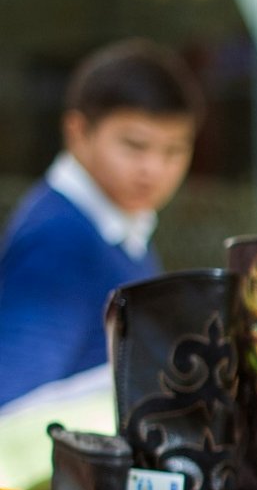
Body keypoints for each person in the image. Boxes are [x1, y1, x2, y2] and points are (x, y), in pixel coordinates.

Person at [0, 39, 203, 409]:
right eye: (134, 146)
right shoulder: (60, 241)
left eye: (174, 150)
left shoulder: (120, 226)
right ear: (78, 132)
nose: (154, 169)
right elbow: (12, 408)